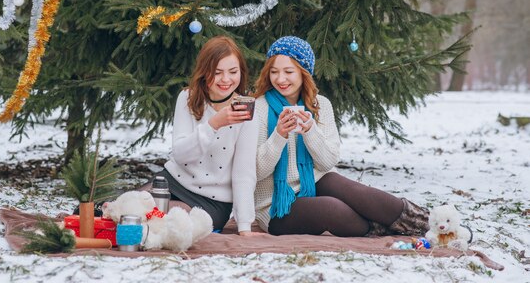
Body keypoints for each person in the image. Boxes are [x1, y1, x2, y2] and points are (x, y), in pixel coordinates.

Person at [252, 36, 429, 237]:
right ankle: (386, 227)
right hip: (275, 205)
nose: (280, 79)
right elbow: (255, 171)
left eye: (288, 72)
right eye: (274, 72)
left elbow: (327, 163)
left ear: (304, 73)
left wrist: (311, 132)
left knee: (358, 192)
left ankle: (432, 224)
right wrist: (279, 135)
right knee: (334, 209)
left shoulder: (321, 105)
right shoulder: (259, 109)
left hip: (314, 182)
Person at [152, 36, 259, 236]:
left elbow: (244, 173)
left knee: (166, 222)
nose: (226, 80)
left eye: (233, 72)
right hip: (174, 182)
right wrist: (214, 124)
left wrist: (244, 227)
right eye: (217, 73)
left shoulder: (247, 111)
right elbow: (181, 155)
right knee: (125, 210)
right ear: (204, 72)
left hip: (213, 200)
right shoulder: (188, 98)